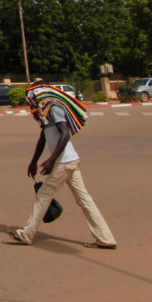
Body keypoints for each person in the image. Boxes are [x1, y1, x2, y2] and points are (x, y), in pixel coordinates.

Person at [8, 81, 117, 249]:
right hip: (70, 161)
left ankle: (27, 233)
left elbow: (65, 134)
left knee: (43, 195)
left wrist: (52, 159)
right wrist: (33, 161)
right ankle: (105, 238)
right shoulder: (44, 111)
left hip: (64, 162)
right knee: (84, 199)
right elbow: (43, 138)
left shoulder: (54, 108)